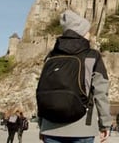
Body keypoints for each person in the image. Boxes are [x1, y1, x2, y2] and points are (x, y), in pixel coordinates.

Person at [39, 10, 112, 143]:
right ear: (81, 32)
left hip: (50, 127)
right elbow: (101, 93)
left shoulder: (51, 56)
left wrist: (42, 125)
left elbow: (42, 89)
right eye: (88, 30)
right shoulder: (92, 55)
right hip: (82, 128)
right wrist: (105, 124)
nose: (90, 34)